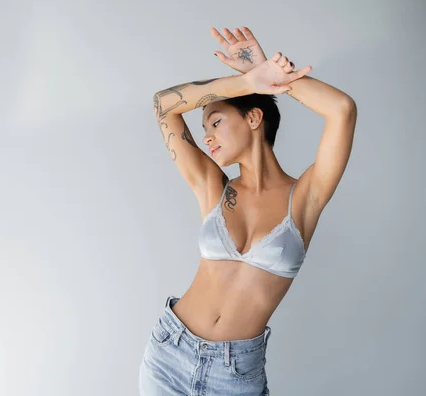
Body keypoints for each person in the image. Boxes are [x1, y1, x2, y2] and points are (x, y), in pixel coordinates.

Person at [139, 26, 357, 395]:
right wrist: (244, 81)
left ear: (254, 118)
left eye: (216, 121)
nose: (206, 135)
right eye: (204, 126)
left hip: (235, 375)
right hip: (169, 354)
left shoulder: (304, 198)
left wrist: (270, 78)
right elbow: (163, 104)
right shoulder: (212, 186)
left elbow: (342, 110)